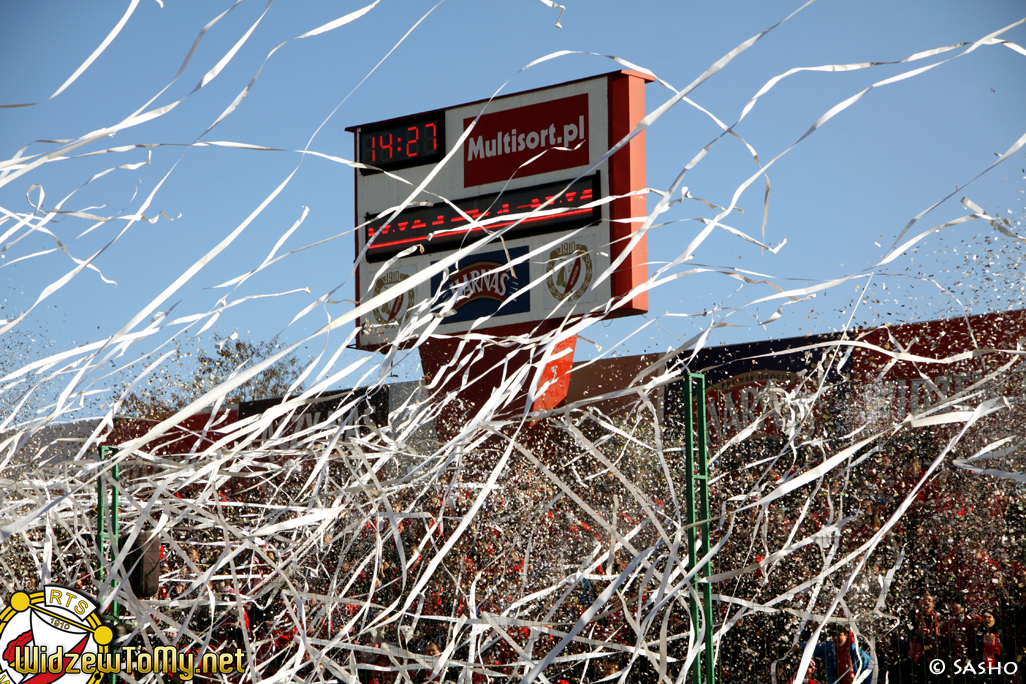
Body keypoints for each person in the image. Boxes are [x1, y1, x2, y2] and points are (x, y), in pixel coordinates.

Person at [798, 625, 872, 684]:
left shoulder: (858, 653)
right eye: (833, 635)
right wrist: (800, 646)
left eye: (838, 635)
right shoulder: (830, 650)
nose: (835, 638)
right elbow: (815, 647)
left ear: (846, 635)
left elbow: (868, 674)